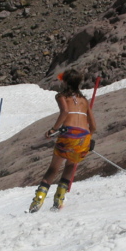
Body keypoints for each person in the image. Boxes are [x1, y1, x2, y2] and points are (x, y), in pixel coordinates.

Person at [29, 69, 97, 212]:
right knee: (70, 166)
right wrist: (87, 139)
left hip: (68, 134)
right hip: (83, 136)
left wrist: (53, 129)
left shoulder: (61, 96)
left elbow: (65, 112)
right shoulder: (84, 100)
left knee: (53, 168)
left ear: (65, 82)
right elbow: (93, 126)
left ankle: (38, 200)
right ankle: (59, 199)